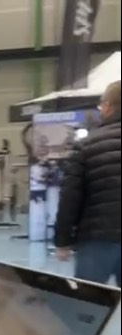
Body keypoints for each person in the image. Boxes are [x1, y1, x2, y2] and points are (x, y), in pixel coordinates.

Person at [54, 80, 121, 284]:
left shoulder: (86, 146)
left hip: (96, 239)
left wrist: (63, 240)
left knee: (89, 299)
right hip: (98, 237)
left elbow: (70, 198)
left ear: (108, 106)